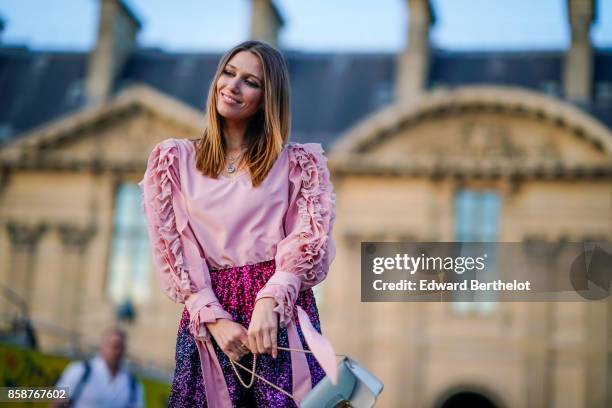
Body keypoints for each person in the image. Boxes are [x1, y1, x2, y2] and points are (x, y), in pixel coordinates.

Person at [139, 40, 336, 407]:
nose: (232, 85)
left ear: (267, 98)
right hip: (211, 313)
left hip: (280, 314)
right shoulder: (174, 160)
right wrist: (213, 319)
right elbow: (174, 250)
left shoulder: (297, 163)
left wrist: (273, 298)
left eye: (250, 81)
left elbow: (311, 239)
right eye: (228, 73)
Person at [52, 328, 144, 408]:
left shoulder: (133, 384)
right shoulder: (80, 370)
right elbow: (57, 403)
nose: (118, 352)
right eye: (115, 346)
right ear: (103, 347)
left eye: (121, 348)